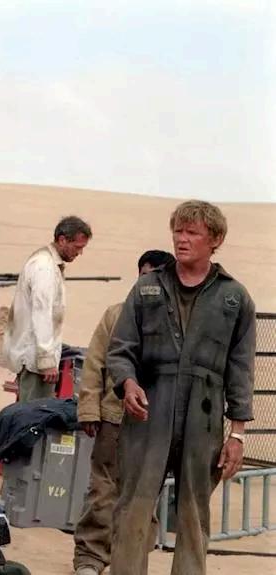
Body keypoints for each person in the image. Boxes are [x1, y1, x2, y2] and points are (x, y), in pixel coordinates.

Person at [107, 200, 256, 575]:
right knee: (133, 509)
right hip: (148, 413)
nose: (182, 239)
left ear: (215, 240)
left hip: (203, 418)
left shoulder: (234, 298)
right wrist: (127, 383)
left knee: (193, 514)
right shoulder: (146, 288)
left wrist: (237, 435)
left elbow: (241, 370)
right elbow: (120, 349)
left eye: (192, 233)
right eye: (178, 231)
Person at [72, 249, 175, 575]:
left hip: (156, 425)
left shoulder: (179, 323)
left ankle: (129, 560)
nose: (150, 282)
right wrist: (90, 410)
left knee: (145, 497)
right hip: (113, 419)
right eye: (145, 275)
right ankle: (90, 558)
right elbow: (94, 364)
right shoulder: (116, 315)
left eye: (158, 276)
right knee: (103, 491)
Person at [1, 216, 92, 401]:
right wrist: (46, 360)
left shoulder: (48, 263)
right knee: (34, 414)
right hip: (34, 361)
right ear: (62, 240)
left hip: (34, 359)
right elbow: (41, 313)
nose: (80, 253)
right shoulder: (44, 266)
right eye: (77, 247)